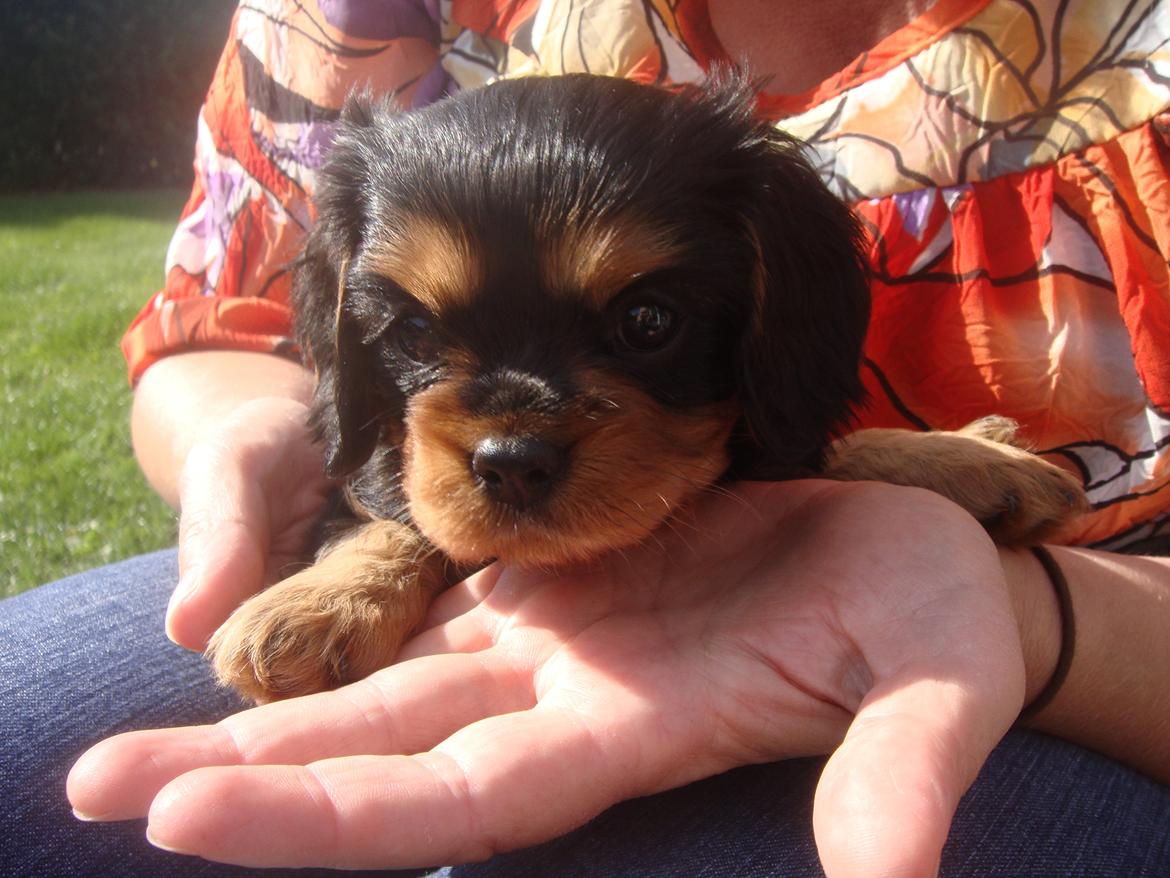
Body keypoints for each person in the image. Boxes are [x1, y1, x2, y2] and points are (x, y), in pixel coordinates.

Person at [3, 0, 1169, 875]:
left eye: (644, 323)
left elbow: (782, 439)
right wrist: (290, 466)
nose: (514, 442)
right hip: (439, 587)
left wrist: (1038, 608)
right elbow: (227, 329)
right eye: (418, 331)